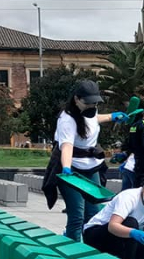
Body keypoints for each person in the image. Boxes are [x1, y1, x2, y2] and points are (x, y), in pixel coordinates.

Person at [54, 80, 130, 241]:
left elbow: (94, 119)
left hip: (91, 167)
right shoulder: (66, 119)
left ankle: (91, 249)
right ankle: (73, 250)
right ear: (77, 99)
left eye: (95, 103)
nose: (92, 106)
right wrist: (66, 169)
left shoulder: (90, 111)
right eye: (88, 103)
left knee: (93, 213)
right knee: (77, 215)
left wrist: (112, 116)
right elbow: (67, 146)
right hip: (73, 170)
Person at [82, 172, 144, 259]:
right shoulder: (129, 197)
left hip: (120, 238)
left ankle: (126, 256)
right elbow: (112, 226)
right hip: (96, 234)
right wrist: (132, 232)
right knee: (131, 222)